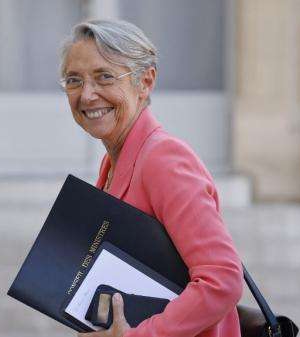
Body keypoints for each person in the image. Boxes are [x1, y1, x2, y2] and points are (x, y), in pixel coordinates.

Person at [59, 19, 244, 337]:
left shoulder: (163, 159)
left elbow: (223, 278)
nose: (87, 95)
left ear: (145, 82)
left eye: (104, 77)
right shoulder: (113, 162)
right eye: (74, 80)